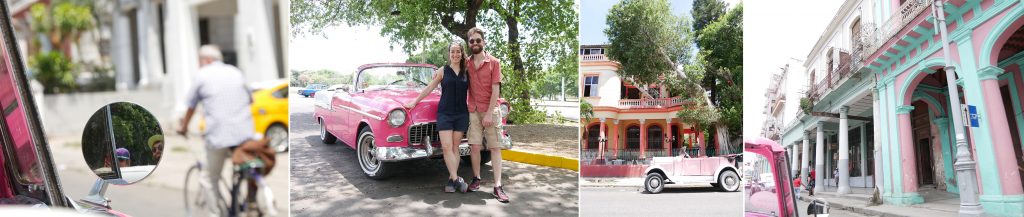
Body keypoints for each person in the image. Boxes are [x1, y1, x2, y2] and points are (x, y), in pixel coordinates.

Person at [176, 44, 256, 214]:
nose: (199, 64)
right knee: (246, 169)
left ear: (207, 60)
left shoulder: (202, 75)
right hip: (244, 134)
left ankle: (216, 213)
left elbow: (190, 106)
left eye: (200, 61)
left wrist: (183, 127)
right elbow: (251, 99)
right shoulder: (235, 71)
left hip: (219, 135)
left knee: (208, 178)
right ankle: (251, 200)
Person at [406, 41, 470, 193]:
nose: (455, 54)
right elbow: (429, 87)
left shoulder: (467, 71)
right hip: (445, 113)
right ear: (449, 53)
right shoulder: (442, 70)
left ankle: (451, 179)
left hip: (461, 114)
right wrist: (415, 101)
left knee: (455, 147)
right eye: (452, 51)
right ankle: (457, 179)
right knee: (446, 147)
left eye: (458, 51)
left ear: (462, 53)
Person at [464, 27, 509, 203]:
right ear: (469, 44)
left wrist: (490, 113)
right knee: (474, 146)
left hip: (491, 109)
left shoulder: (494, 62)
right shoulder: (467, 63)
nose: (475, 43)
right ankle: (476, 179)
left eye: (478, 40)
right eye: (472, 41)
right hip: (473, 110)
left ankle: (498, 186)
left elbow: (496, 88)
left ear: (484, 42)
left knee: (495, 147)